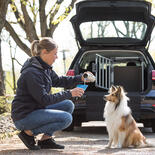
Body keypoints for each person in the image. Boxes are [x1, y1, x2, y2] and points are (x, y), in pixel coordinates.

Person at [11, 37, 94, 150]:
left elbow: (59, 80)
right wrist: (70, 93)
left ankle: (46, 140)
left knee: (68, 105)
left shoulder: (45, 68)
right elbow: (44, 99)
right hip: (24, 116)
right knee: (66, 118)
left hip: (36, 109)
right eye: (55, 54)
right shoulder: (32, 73)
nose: (57, 57)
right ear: (45, 52)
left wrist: (81, 77)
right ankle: (27, 133)